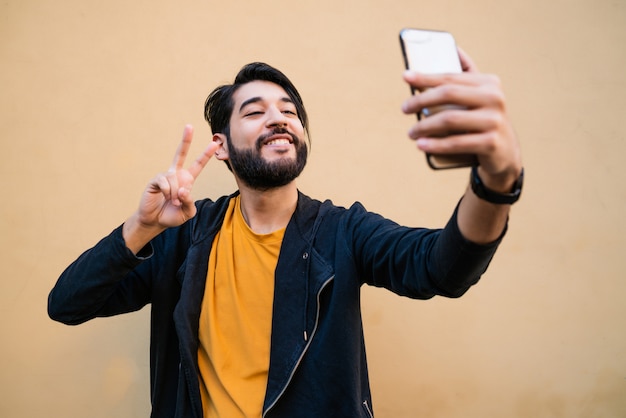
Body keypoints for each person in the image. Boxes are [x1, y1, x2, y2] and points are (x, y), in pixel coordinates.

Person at [48, 51, 523, 418]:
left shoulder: (343, 231)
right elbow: (67, 304)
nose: (279, 118)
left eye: (290, 111)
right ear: (222, 148)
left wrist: (497, 181)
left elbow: (442, 267)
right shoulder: (183, 237)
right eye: (254, 112)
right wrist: (141, 228)